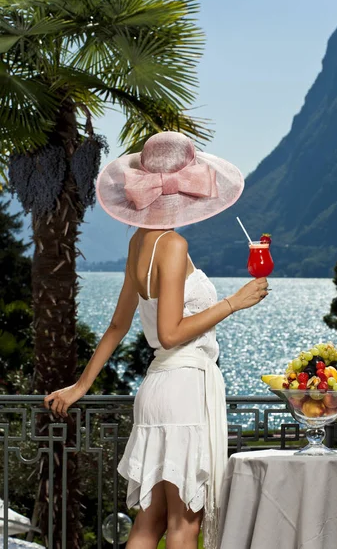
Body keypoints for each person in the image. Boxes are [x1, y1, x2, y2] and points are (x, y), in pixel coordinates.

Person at [43, 131, 269, 549]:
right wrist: (233, 303)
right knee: (185, 526)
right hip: (184, 391)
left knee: (149, 524)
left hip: (156, 391)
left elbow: (117, 326)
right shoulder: (174, 244)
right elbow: (169, 333)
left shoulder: (138, 244)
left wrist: (81, 386)